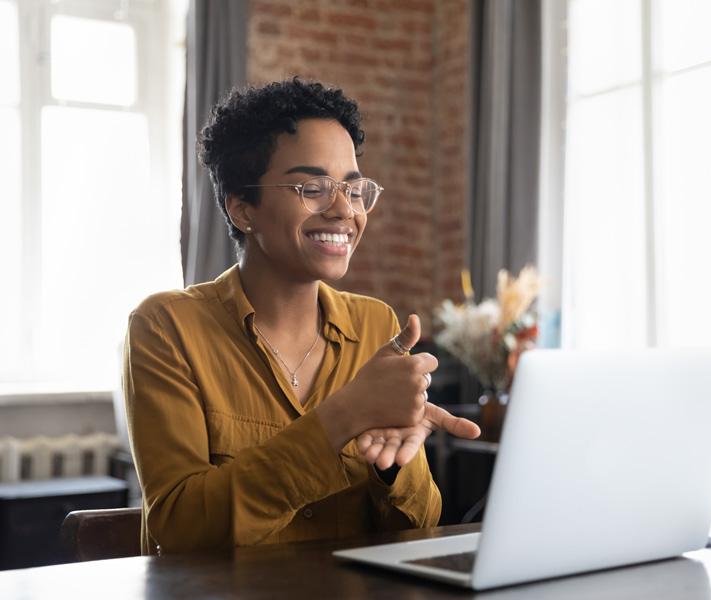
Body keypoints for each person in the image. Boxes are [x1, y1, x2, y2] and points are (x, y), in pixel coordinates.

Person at [123, 78, 481, 555]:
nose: (343, 211)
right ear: (242, 207)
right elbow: (181, 528)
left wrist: (394, 466)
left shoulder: (377, 327)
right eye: (313, 187)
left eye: (354, 192)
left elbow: (421, 525)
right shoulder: (167, 327)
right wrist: (340, 418)